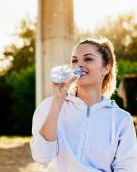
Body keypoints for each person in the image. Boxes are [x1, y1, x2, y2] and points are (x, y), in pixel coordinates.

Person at [30, 38, 137, 172]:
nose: (79, 64)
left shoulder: (122, 119)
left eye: (88, 59)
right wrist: (58, 101)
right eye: (74, 60)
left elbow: (126, 168)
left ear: (106, 68)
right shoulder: (49, 106)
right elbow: (41, 156)